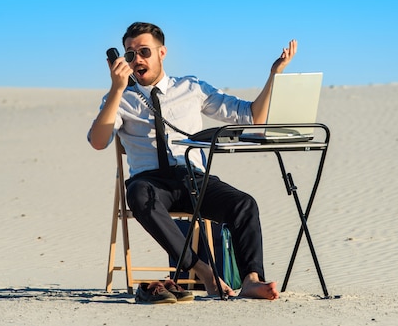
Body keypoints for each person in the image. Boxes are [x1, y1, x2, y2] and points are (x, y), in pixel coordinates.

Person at [88, 22, 297, 300]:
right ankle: (203, 271)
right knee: (139, 195)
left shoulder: (191, 87)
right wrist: (116, 90)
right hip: (151, 184)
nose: (137, 59)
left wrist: (274, 75)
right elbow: (98, 141)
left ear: (162, 53)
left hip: (194, 179)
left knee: (243, 204)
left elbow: (251, 117)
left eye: (144, 51)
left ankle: (250, 280)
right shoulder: (121, 98)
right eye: (129, 54)